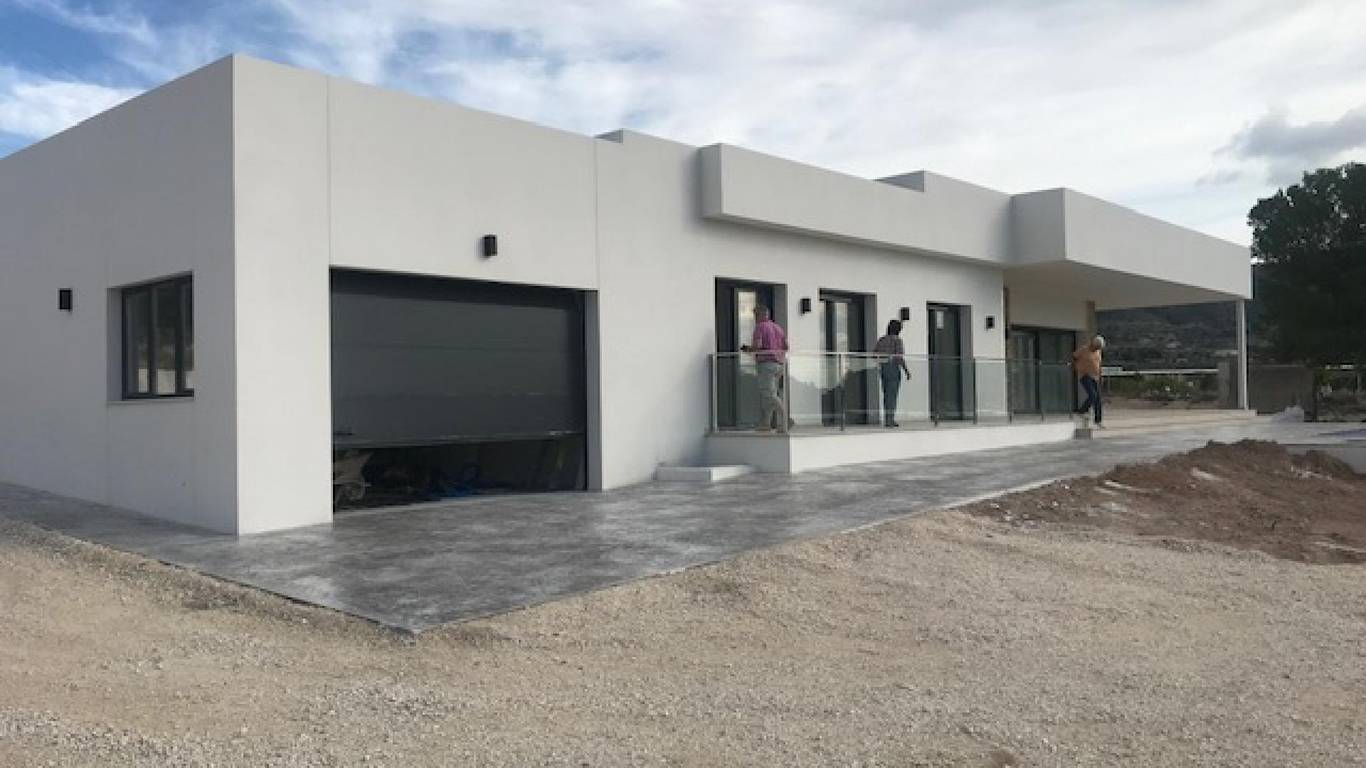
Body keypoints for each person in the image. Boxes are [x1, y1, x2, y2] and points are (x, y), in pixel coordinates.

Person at [740, 305, 789, 433]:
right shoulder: (778, 328)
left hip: (766, 364)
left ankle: (785, 419)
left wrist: (748, 349)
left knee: (769, 394)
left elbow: (757, 345)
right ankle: (766, 423)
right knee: (769, 395)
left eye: (755, 315)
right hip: (779, 364)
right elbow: (786, 346)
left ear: (760, 315)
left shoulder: (760, 327)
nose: (754, 318)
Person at [873, 319, 912, 427]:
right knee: (893, 394)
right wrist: (906, 371)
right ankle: (890, 419)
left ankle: (887, 418)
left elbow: (875, 354)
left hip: (884, 368)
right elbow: (899, 357)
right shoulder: (897, 341)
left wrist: (880, 362)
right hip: (893, 368)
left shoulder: (882, 340)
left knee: (886, 394)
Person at [1073, 334, 1106, 428]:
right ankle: (1082, 410)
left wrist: (1100, 375)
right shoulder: (1083, 350)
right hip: (1085, 375)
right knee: (1093, 395)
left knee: (1098, 399)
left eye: (1099, 348)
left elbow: (1099, 364)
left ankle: (1098, 420)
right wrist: (1077, 367)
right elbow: (1074, 357)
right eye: (1096, 347)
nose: (1097, 349)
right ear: (1093, 344)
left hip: (1095, 376)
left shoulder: (1098, 352)